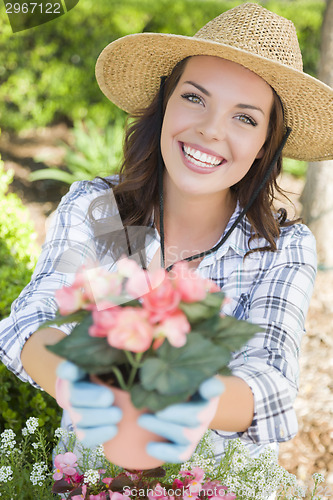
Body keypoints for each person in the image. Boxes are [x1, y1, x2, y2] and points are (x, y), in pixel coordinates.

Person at [1, 2, 333, 469]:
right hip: (95, 483)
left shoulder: (280, 247)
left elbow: (271, 379)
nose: (210, 130)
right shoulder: (102, 213)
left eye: (245, 118)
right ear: (164, 103)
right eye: (194, 98)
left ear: (266, 146)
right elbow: (34, 320)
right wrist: (73, 382)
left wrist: (193, 401)